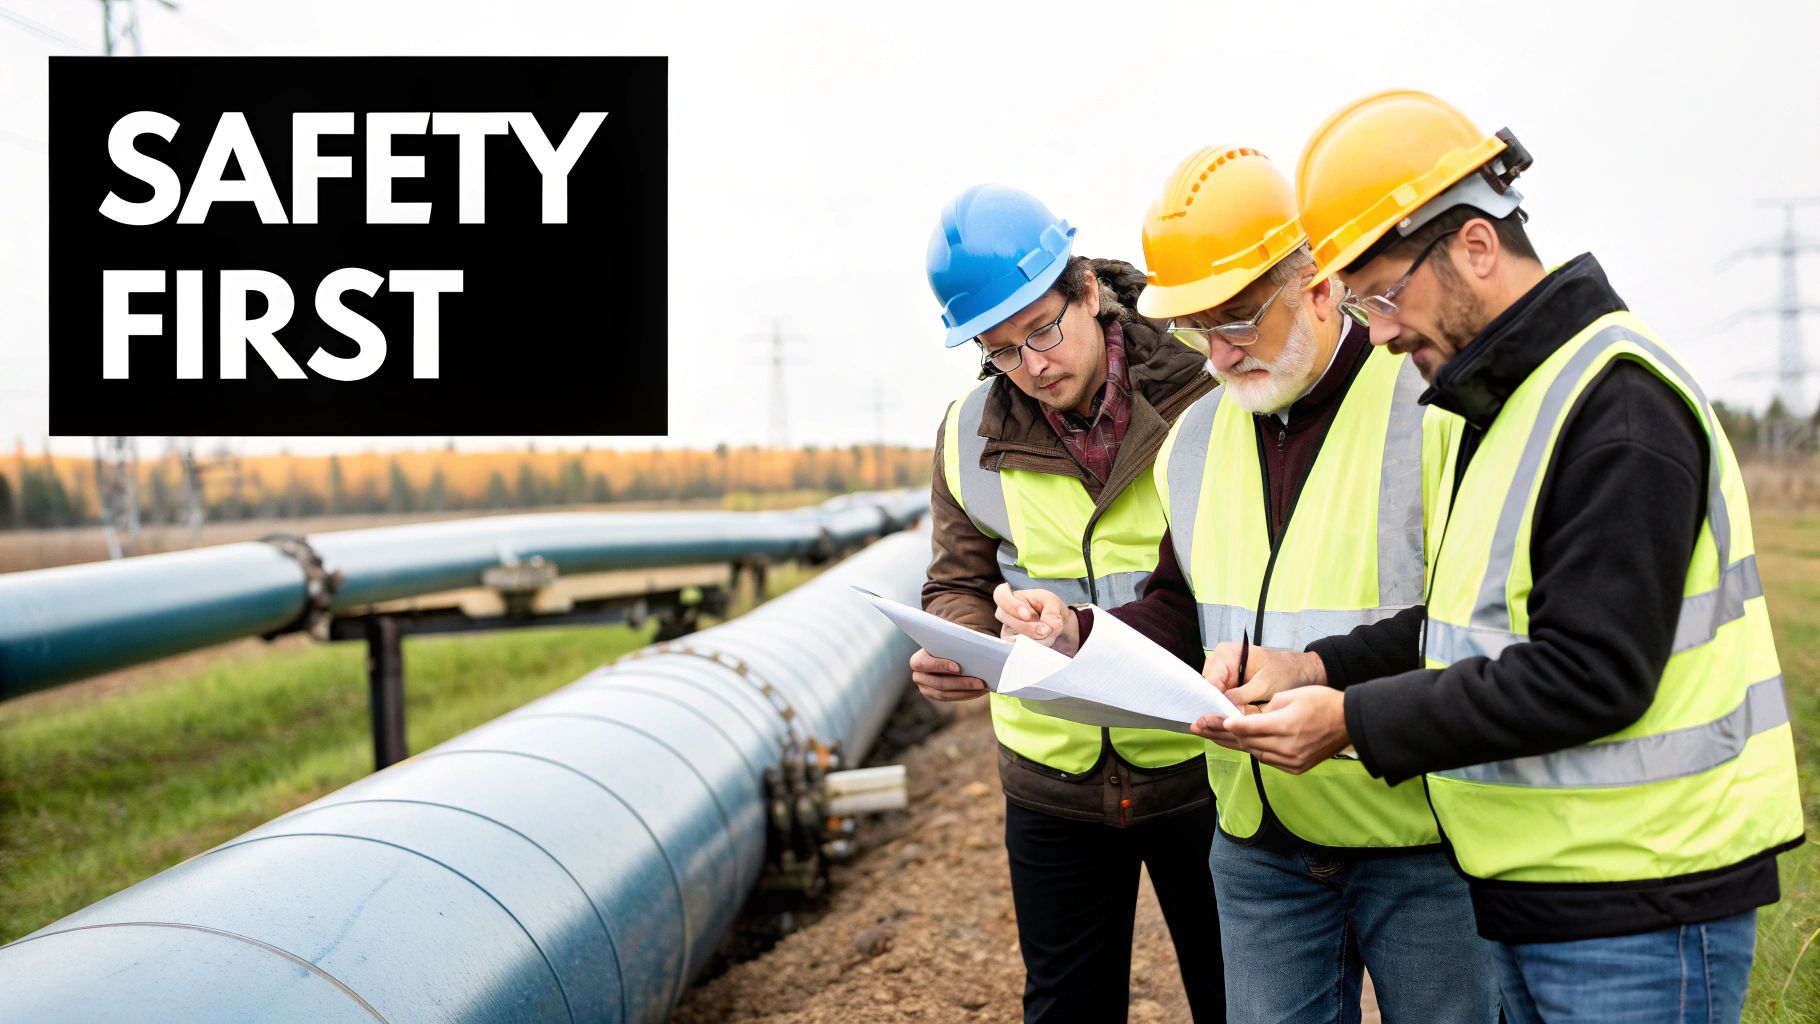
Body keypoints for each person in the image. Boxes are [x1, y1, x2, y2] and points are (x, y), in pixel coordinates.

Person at [1204, 90, 1805, 1021]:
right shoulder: (1494, 407)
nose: (1378, 332)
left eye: (1383, 296)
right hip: (1540, 892)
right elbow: (1462, 626)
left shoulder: (1615, 405)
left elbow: (1590, 672)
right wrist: (1313, 667)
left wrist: (1351, 720)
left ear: (1476, 246)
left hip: (1641, 908)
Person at [994, 146, 1495, 1023]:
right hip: (1260, 847)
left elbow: (1476, 622)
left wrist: (1324, 675)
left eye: (1239, 322)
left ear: (1319, 288)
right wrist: (1075, 629)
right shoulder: (1195, 437)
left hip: (1421, 835)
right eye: (1198, 331)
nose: (1218, 354)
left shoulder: (1429, 406)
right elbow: (1180, 603)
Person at [915, 183, 1226, 1023]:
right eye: (1000, 351)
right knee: (1065, 1009)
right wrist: (959, 644)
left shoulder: (1206, 393)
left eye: (1042, 331)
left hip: (1200, 761)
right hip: (1052, 781)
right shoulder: (968, 432)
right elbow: (956, 581)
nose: (1032, 364)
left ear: (1088, 291)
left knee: (1237, 1000)